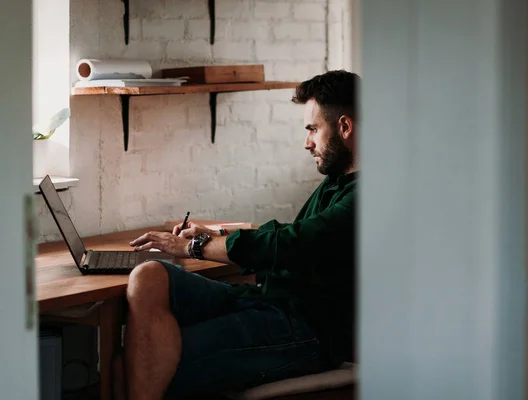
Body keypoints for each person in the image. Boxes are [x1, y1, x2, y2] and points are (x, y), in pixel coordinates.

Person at [122, 70, 360, 399]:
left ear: (345, 127)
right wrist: (215, 233)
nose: (307, 142)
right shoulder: (338, 180)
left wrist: (194, 246)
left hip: (305, 330)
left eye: (313, 129)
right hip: (268, 301)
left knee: (152, 359)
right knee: (149, 276)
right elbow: (293, 234)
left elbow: (293, 243)